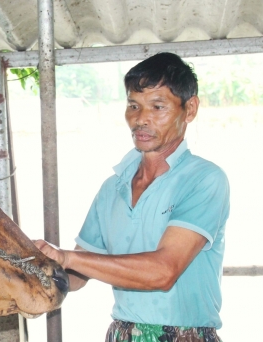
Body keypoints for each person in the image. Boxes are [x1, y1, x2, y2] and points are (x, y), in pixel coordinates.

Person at [35, 52, 230, 342]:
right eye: (133, 105)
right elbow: (76, 275)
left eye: (158, 106)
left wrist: (67, 256)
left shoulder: (204, 179)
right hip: (123, 333)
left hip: (185, 336)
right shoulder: (112, 188)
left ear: (190, 109)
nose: (141, 119)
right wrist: (38, 271)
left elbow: (163, 272)